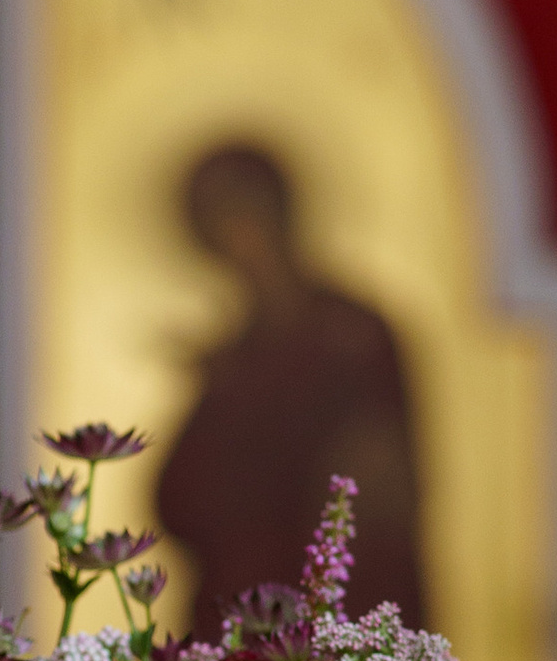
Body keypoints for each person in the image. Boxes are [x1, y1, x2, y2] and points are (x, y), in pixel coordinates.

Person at [156, 138, 426, 630]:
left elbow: (375, 491)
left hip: (332, 621)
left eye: (243, 219)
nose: (237, 245)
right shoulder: (235, 353)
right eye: (216, 230)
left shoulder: (351, 338)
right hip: (238, 622)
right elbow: (180, 499)